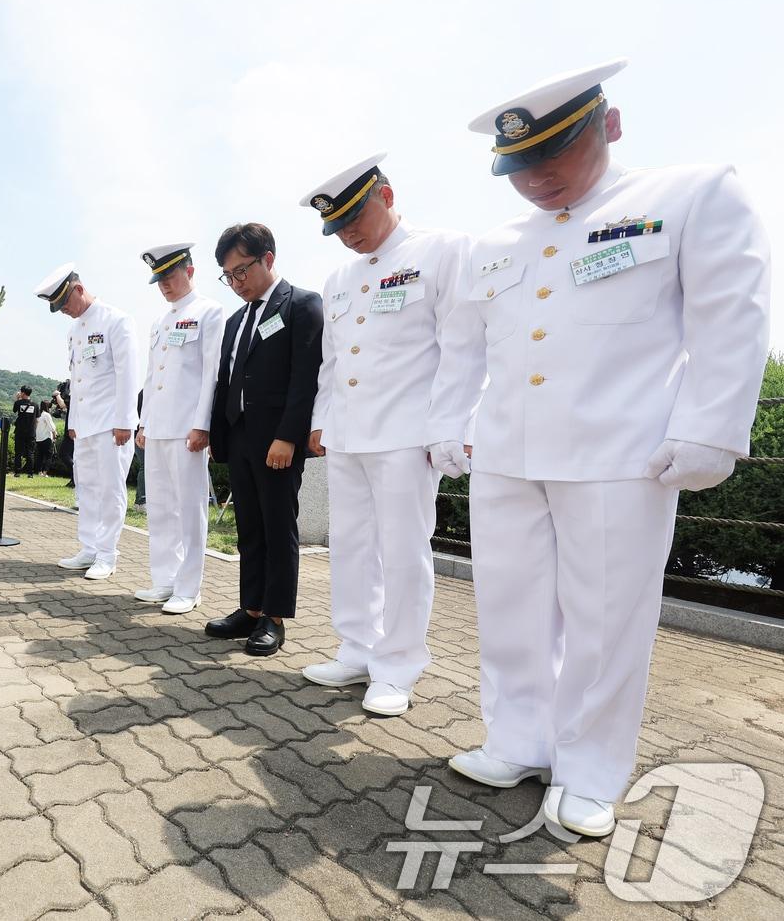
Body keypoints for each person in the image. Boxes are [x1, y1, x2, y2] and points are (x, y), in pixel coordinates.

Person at [426, 60, 769, 837]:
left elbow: (730, 315)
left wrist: (711, 426)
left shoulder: (688, 195)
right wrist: (449, 420)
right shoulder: (495, 241)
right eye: (519, 165)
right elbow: (465, 345)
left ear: (609, 125)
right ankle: (518, 738)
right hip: (507, 453)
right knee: (508, 609)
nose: (538, 177)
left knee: (607, 618)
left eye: (556, 153)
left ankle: (590, 770)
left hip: (621, 452)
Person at [295, 155, 473, 717]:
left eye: (355, 218)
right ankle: (357, 649)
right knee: (350, 549)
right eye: (337, 226)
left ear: (388, 196)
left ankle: (397, 665)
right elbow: (331, 361)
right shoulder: (340, 278)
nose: (347, 234)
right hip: (348, 433)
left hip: (405, 433)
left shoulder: (442, 251)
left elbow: (463, 347)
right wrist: (322, 419)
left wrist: (452, 424)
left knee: (401, 552)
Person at [204, 223, 322, 656]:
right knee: (249, 527)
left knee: (277, 526)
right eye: (228, 276)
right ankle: (250, 609)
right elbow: (226, 380)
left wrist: (288, 436)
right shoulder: (237, 319)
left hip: (277, 443)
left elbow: (305, 378)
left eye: (241, 272)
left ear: (268, 259)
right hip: (239, 439)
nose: (235, 283)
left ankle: (274, 617)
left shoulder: (302, 305)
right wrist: (220, 435)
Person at [133, 242, 225, 615]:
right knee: (160, 507)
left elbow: (211, 374)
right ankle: (165, 579)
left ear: (189, 271)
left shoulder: (209, 312)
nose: (165, 285)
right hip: (157, 428)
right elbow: (153, 375)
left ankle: (189, 587)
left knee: (189, 509)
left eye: (170, 276)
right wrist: (143, 422)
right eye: (159, 279)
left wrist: (202, 424)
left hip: (188, 428)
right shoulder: (161, 321)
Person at [34, 262, 141, 581]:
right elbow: (77, 381)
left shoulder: (116, 320)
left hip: (112, 425)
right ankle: (89, 548)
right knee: (87, 488)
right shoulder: (75, 331)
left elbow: (127, 374)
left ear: (79, 289)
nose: (64, 310)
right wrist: (72, 423)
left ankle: (107, 555)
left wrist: (125, 420)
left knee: (110, 490)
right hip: (85, 426)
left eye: (65, 302)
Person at [11, 386, 41, 476]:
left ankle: (17, 472)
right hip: (31, 432)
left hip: (20, 431)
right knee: (30, 452)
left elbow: (14, 410)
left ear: (23, 393)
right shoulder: (35, 405)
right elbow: (37, 419)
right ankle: (30, 473)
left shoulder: (18, 403)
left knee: (18, 452)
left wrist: (17, 398)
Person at [35, 396, 58, 475]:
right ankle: (45, 472)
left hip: (38, 438)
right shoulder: (46, 415)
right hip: (46, 438)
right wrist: (55, 434)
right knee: (48, 456)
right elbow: (51, 426)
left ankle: (39, 472)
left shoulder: (38, 415)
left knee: (40, 456)